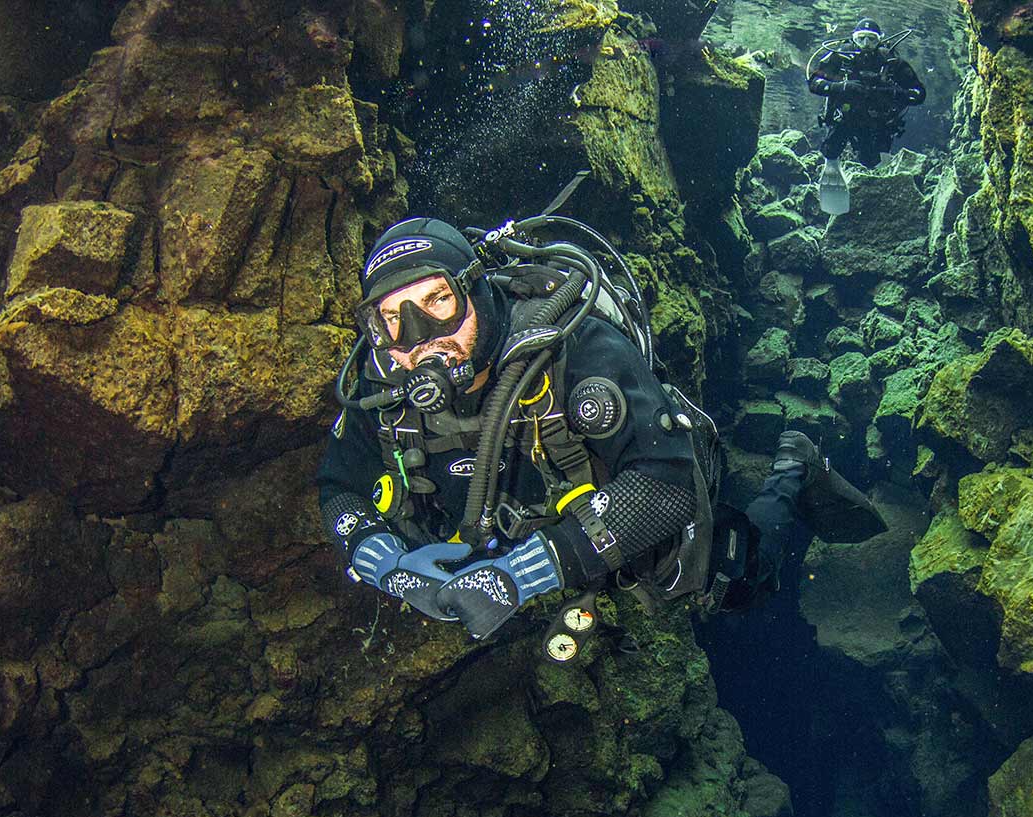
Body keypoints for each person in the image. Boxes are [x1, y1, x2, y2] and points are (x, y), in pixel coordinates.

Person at [317, 215, 886, 650]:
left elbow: (667, 485)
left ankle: (792, 466)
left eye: (438, 301)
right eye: (391, 317)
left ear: (478, 292)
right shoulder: (381, 383)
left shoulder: (575, 347)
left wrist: (520, 576)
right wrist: (386, 565)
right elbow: (338, 487)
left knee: (740, 586)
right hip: (532, 545)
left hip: (621, 528)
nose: (419, 336)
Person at [807, 17, 926, 214]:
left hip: (877, 122)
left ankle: (877, 188)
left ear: (880, 40)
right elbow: (813, 83)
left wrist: (897, 94)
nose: (866, 44)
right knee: (832, 146)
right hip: (845, 118)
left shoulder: (891, 62)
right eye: (861, 38)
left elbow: (919, 93)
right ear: (853, 38)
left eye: (871, 39)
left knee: (871, 160)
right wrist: (841, 87)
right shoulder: (841, 57)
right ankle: (832, 165)